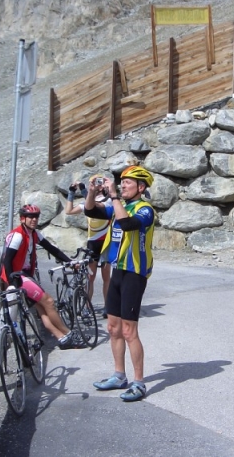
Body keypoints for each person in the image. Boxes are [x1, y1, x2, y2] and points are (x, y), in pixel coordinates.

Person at [84, 166, 155, 402]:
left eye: (128, 183)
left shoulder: (145, 209)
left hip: (134, 273)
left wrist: (114, 196)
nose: (123, 185)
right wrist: (92, 192)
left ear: (141, 187)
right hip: (117, 270)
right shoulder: (118, 207)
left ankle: (139, 382)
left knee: (129, 331)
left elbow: (127, 225)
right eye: (121, 182)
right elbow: (90, 211)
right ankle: (118, 375)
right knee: (113, 328)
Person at [0, 204, 86, 350]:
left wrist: (70, 262)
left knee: (41, 308)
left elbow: (51, 248)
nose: (34, 220)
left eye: (36, 217)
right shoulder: (18, 235)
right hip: (17, 277)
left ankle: (62, 339)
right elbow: (7, 260)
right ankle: (68, 333)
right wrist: (12, 283)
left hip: (25, 275)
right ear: (22, 218)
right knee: (49, 302)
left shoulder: (33, 233)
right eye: (30, 217)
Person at [64, 175, 112, 318]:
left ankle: (107, 306)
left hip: (106, 243)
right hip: (93, 243)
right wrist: (71, 193)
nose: (99, 186)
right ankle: (86, 306)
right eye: (97, 183)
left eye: (102, 184)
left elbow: (94, 207)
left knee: (106, 278)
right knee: (90, 278)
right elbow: (69, 211)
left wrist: (86, 191)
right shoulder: (88, 202)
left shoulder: (108, 201)